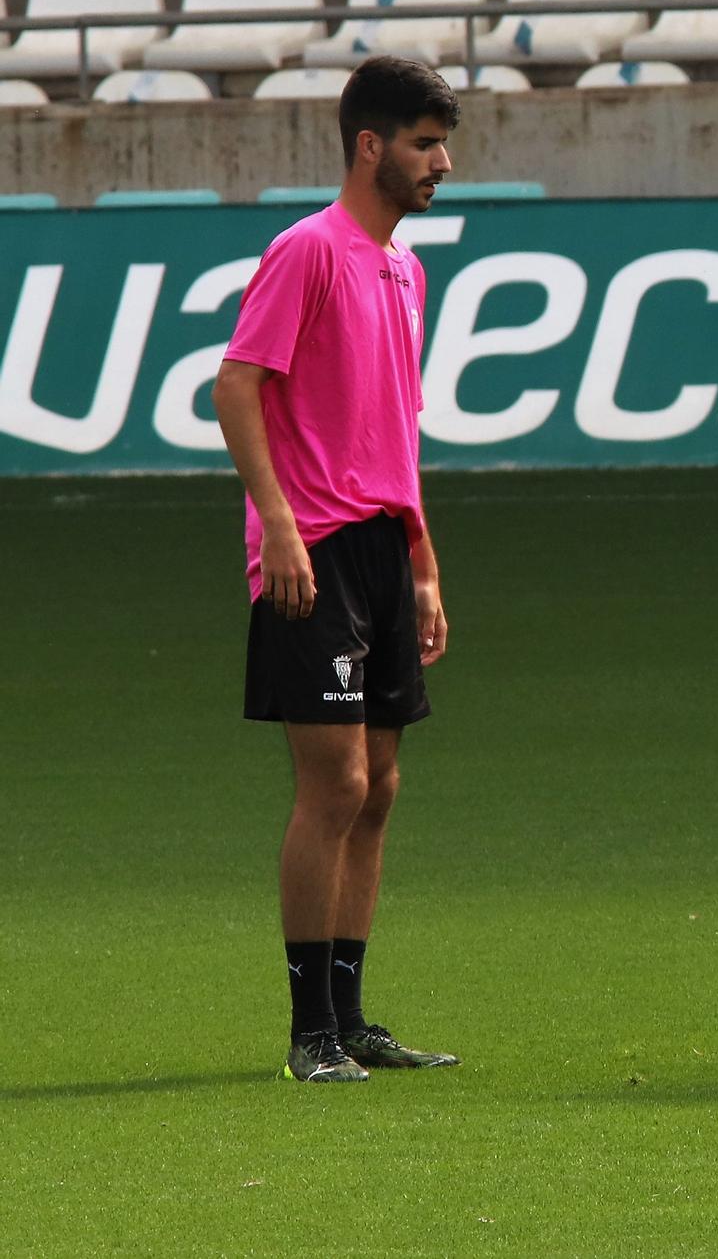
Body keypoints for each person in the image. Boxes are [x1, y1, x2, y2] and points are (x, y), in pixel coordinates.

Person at [212, 56, 462, 1084]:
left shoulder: (405, 269)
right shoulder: (306, 250)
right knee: (336, 783)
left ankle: (352, 1019)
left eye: (441, 143)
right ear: (370, 146)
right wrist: (275, 525)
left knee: (382, 787)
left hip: (378, 544)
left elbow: (394, 426)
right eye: (422, 143)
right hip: (308, 547)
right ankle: (308, 1031)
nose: (440, 163)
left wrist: (425, 564)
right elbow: (236, 387)